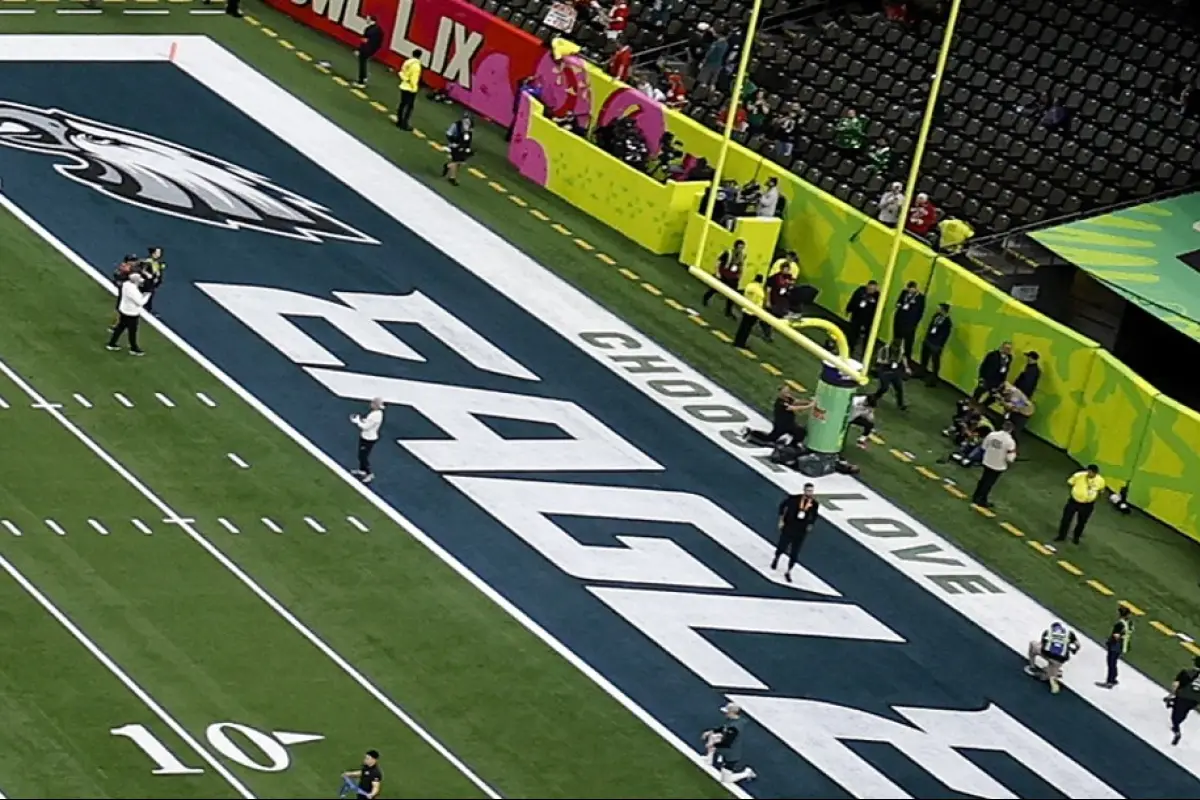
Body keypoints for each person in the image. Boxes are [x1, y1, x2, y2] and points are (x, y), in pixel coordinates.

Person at [773, 483, 819, 582]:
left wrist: (810, 525)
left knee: (795, 552)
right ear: (804, 490)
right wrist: (781, 519)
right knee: (782, 546)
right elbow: (782, 506)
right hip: (789, 526)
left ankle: (789, 571)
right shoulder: (794, 499)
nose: (810, 493)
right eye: (808, 490)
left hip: (801, 530)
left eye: (811, 491)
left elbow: (814, 516)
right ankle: (777, 557)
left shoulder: (814, 504)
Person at [701, 703, 756, 783]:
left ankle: (747, 773)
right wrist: (711, 732)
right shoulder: (733, 721)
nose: (725, 713)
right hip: (727, 748)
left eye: (727, 712)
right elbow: (724, 728)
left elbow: (727, 743)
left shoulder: (735, 728)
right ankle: (709, 758)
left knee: (725, 780)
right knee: (713, 736)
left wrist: (712, 745)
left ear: (732, 713)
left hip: (731, 753)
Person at [1024, 621, 1080, 694]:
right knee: (1053, 665)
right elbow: (1078, 645)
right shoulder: (1069, 633)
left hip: (1049, 655)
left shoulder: (1048, 632)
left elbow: (1041, 644)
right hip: (1061, 659)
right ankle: (1053, 674)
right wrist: (1074, 650)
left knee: (1033, 644)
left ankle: (1032, 667)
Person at [971, 420, 1016, 508]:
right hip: (998, 465)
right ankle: (981, 499)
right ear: (1011, 430)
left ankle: (976, 496)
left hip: (987, 461)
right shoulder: (1010, 442)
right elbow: (1010, 458)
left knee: (984, 479)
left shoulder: (992, 435)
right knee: (989, 482)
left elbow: (984, 447)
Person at [1056, 464, 1105, 544]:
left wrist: (1093, 499)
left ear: (1096, 473)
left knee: (1082, 522)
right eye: (1089, 471)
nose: (1090, 473)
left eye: (1092, 472)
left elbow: (1101, 491)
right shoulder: (1078, 475)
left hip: (1087, 505)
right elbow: (1070, 483)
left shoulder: (1100, 481)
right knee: (1066, 519)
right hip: (1074, 501)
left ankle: (1076, 537)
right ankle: (1061, 536)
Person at [106, 272, 151, 356]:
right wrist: (147, 295)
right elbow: (140, 302)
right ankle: (134, 348)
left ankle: (111, 343)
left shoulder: (126, 284)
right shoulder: (133, 290)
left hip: (124, 310)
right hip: (131, 313)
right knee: (132, 331)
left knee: (120, 328)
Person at [703, 240, 746, 316]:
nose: (741, 249)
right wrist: (717, 273)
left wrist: (739, 276)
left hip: (733, 277)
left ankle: (728, 311)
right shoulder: (728, 253)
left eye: (742, 248)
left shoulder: (742, 256)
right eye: (740, 247)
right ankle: (706, 298)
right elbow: (718, 262)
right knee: (715, 288)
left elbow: (741, 266)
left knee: (732, 295)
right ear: (735, 247)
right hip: (724, 274)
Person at [1096, 604, 1133, 689]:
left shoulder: (1119, 624)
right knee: (1114, 663)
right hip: (1123, 645)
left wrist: (1110, 641)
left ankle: (1110, 681)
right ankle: (1114, 678)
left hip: (1115, 646)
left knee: (1111, 663)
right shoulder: (1129, 623)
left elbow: (1116, 636)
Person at [349, 398, 385, 484]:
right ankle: (362, 470)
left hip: (368, 438)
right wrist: (362, 420)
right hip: (366, 437)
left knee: (363, 456)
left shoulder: (375, 415)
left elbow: (366, 427)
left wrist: (357, 422)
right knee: (361, 455)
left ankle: (369, 473)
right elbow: (369, 423)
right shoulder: (377, 414)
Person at [1167, 656, 1200, 745]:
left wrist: (1170, 695)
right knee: (1184, 712)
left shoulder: (1186, 672)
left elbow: (1176, 685)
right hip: (1195, 700)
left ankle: (1176, 730)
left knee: (1175, 717)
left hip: (1183, 696)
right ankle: (1174, 706)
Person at [891, 281, 926, 363]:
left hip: (910, 323)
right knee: (897, 339)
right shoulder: (904, 293)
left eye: (912, 289)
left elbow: (920, 312)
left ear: (916, 288)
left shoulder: (920, 298)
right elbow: (898, 301)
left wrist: (915, 323)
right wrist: (899, 304)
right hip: (900, 319)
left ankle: (907, 360)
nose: (910, 291)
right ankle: (893, 357)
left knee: (908, 342)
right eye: (909, 289)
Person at [919, 302, 952, 385]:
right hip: (929, 339)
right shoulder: (936, 316)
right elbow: (930, 326)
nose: (937, 309)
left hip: (936, 344)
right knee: (924, 357)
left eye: (939, 308)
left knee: (935, 361)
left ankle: (934, 379)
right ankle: (921, 372)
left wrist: (939, 344)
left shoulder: (947, 322)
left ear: (943, 310)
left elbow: (944, 335)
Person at [870, 342, 909, 410]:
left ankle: (900, 404)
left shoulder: (900, 350)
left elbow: (903, 357)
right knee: (884, 388)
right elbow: (879, 360)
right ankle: (874, 397)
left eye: (898, 348)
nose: (896, 349)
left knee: (899, 388)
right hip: (884, 370)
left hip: (894, 371)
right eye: (895, 347)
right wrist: (889, 361)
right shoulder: (884, 350)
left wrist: (907, 367)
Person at [844, 280, 880, 354]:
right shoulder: (860, 291)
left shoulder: (877, 296)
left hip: (868, 319)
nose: (871, 291)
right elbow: (853, 299)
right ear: (867, 286)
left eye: (873, 289)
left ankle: (865, 354)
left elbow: (877, 309)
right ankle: (849, 349)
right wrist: (848, 309)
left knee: (866, 337)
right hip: (857, 315)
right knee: (852, 333)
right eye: (870, 289)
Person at [732, 275, 766, 349]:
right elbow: (759, 301)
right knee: (747, 329)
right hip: (753, 311)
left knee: (742, 327)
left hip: (746, 308)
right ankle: (741, 343)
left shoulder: (749, 285)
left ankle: (737, 341)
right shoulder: (759, 290)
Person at [441, 112, 474, 186]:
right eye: (466, 120)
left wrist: (468, 147)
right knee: (456, 161)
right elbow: (448, 134)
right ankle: (452, 178)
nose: (467, 122)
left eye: (468, 121)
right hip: (454, 146)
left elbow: (469, 139)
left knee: (459, 162)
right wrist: (453, 142)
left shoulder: (470, 128)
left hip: (463, 147)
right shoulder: (456, 125)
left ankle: (448, 166)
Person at [396, 49, 423, 131]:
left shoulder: (407, 62)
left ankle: (399, 121)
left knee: (402, 104)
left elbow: (401, 72)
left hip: (403, 85)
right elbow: (414, 79)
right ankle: (404, 124)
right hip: (410, 88)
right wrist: (414, 88)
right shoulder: (416, 66)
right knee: (409, 106)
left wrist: (405, 79)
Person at [353, 16, 384, 87]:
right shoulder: (379, 30)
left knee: (362, 64)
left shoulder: (369, 30)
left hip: (366, 49)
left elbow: (364, 41)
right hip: (372, 49)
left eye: (368, 19)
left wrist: (359, 50)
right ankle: (364, 77)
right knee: (364, 62)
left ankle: (361, 81)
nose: (366, 20)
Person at [142, 246, 166, 313]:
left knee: (150, 293)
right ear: (153, 254)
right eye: (157, 253)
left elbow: (158, 271)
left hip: (153, 281)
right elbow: (143, 270)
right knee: (148, 293)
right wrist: (148, 275)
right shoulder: (148, 261)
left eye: (160, 253)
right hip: (148, 281)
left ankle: (147, 307)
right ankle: (146, 307)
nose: (159, 255)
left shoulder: (158, 263)